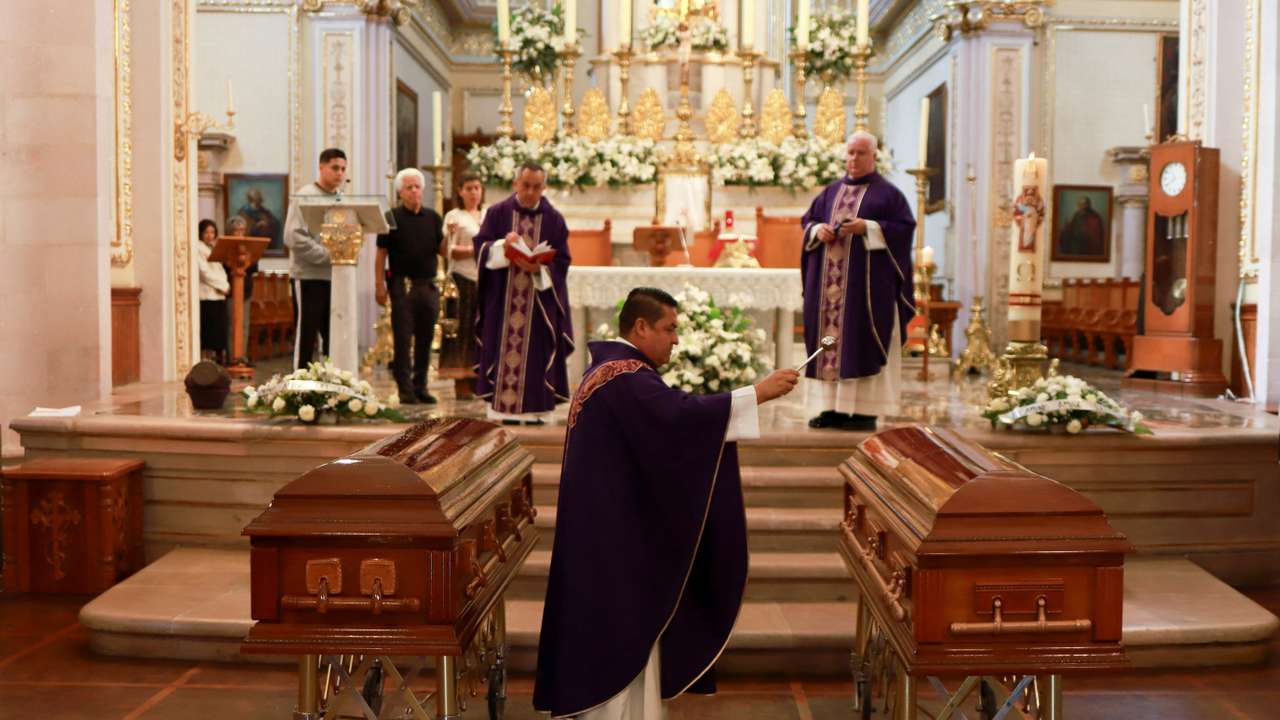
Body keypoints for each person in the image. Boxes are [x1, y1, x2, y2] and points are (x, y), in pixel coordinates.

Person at [533, 287, 800, 719]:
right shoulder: (624, 377)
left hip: (605, 532)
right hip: (613, 546)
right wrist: (758, 393)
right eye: (668, 328)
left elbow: (663, 433)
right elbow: (679, 417)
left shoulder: (612, 372)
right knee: (619, 636)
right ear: (639, 327)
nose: (676, 339)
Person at [800, 131, 916, 431]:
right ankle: (832, 409)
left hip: (865, 295)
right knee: (831, 345)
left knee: (858, 340)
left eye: (861, 153)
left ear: (874, 156)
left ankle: (864, 411)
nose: (854, 159)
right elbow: (808, 221)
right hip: (829, 293)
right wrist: (817, 231)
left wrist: (869, 227)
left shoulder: (889, 195)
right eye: (850, 153)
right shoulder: (829, 192)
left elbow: (904, 230)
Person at [471, 162, 573, 424]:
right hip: (502, 302)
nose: (530, 192)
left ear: (544, 187)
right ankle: (501, 412)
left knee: (537, 355)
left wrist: (538, 267)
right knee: (500, 349)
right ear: (516, 183)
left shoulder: (554, 219)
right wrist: (502, 249)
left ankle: (537, 412)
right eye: (525, 185)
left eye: (536, 187)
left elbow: (562, 261)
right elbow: (481, 247)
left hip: (538, 306)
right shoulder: (497, 213)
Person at [374, 168, 445, 404]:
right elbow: (381, 254)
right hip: (402, 286)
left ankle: (421, 385)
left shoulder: (433, 218)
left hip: (428, 285)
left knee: (426, 339)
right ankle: (404, 388)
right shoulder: (391, 217)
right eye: (409, 188)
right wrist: (379, 286)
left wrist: (451, 236)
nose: (414, 191)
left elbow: (443, 251)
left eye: (417, 187)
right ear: (400, 193)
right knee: (403, 339)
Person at [282, 148, 346, 368]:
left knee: (333, 334)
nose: (340, 174)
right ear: (321, 167)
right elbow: (293, 236)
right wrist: (328, 256)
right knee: (307, 332)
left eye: (343, 169)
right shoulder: (305, 195)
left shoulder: (342, 199)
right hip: (308, 275)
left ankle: (331, 381)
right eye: (335, 168)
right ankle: (302, 384)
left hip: (336, 277)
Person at [439, 173, 484, 398]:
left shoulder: (487, 214)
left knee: (480, 329)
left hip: (484, 279)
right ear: (460, 191)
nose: (474, 192)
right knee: (461, 329)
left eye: (477, 187)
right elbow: (448, 251)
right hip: (461, 278)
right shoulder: (454, 216)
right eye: (469, 188)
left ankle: (478, 376)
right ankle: (460, 380)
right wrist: (478, 250)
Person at [223, 215, 258, 365]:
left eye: (242, 230)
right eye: (236, 230)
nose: (240, 234)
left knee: (244, 325)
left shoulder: (248, 245)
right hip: (231, 290)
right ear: (230, 231)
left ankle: (242, 356)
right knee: (233, 324)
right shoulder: (225, 246)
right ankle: (233, 357)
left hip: (246, 290)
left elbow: (254, 266)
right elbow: (223, 266)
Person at [196, 219, 230, 364]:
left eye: (212, 232)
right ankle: (207, 362)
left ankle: (218, 361)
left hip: (219, 295)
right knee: (209, 332)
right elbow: (204, 272)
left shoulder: (212, 247)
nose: (210, 235)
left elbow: (220, 270)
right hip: (208, 295)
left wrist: (225, 284)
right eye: (206, 232)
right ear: (201, 233)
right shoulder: (198, 248)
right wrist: (223, 286)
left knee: (218, 332)